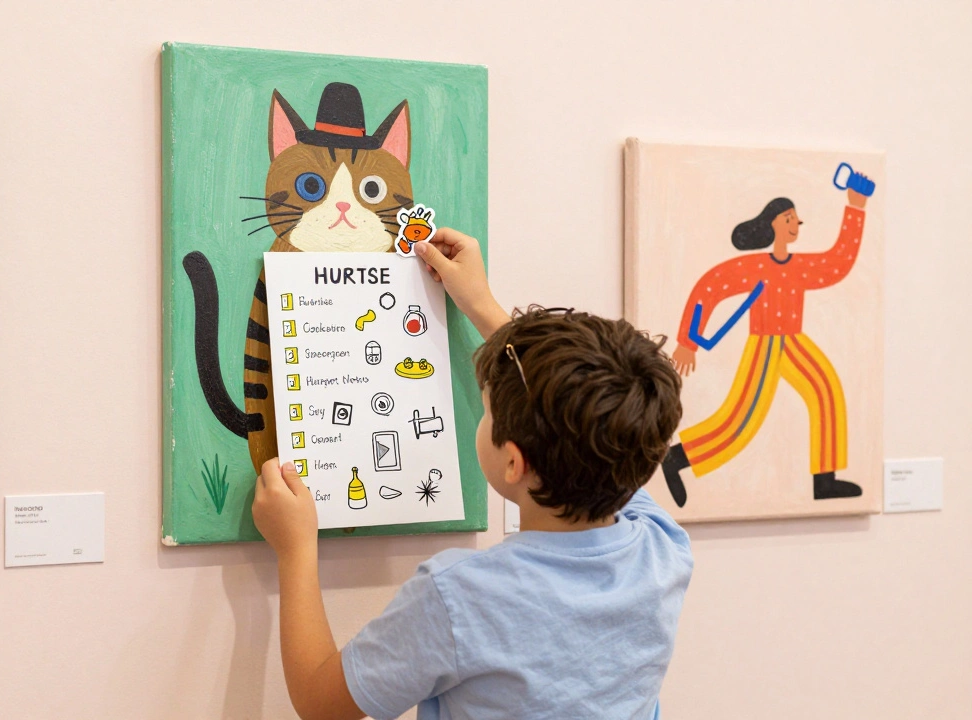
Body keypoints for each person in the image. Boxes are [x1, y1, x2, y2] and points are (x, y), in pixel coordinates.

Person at [251, 228, 693, 719]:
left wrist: (295, 550)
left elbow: (320, 704)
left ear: (513, 462)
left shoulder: (459, 597)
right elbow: (600, 423)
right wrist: (481, 304)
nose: (482, 414)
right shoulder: (662, 547)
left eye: (486, 411)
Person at [659, 178, 872, 508]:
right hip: (765, 346)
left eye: (796, 219)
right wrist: (688, 340)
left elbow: (837, 264)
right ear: (773, 224)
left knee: (827, 391)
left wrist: (855, 207)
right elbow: (709, 287)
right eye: (788, 218)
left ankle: (824, 480)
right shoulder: (754, 267)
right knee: (740, 420)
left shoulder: (800, 266)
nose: (795, 224)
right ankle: (676, 459)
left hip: (793, 342)